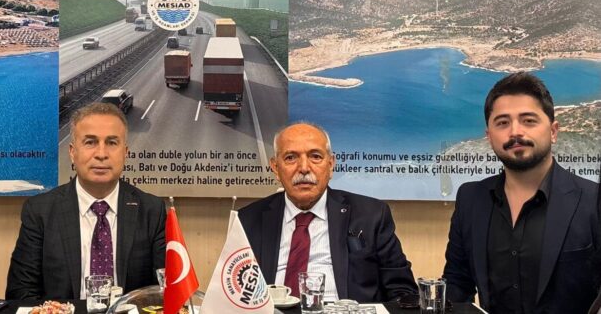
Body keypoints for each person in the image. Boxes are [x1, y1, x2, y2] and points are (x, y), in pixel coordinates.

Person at [443, 72, 600, 314]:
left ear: (553, 131)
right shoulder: (471, 199)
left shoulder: (592, 201)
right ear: (489, 136)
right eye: (502, 123)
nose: (515, 132)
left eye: (528, 120)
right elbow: (456, 285)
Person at [238, 122, 417, 303]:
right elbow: (234, 291)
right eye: (291, 158)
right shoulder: (247, 220)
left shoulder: (371, 215)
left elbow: (403, 291)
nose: (304, 168)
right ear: (276, 168)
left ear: (331, 165)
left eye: (315, 156)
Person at [6, 102, 166, 300]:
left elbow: (164, 291)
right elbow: (21, 293)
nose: (101, 154)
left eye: (112, 143)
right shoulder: (40, 211)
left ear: (125, 153)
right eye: (90, 142)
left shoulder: (152, 211)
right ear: (72, 152)